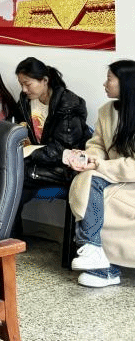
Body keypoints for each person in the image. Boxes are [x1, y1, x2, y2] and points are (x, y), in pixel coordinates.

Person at [64, 60, 135, 288]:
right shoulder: (106, 111)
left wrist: (100, 166)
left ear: (126, 83)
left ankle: (100, 262)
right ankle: (95, 253)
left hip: (130, 178)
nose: (105, 84)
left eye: (110, 79)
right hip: (111, 174)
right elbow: (97, 145)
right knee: (86, 177)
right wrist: (89, 159)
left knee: (92, 186)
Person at [14, 57, 89, 235]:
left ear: (45, 80)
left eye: (28, 84)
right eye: (21, 84)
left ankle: (7, 239)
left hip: (63, 167)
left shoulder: (68, 104)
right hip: (35, 163)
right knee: (6, 180)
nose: (24, 90)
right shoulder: (25, 100)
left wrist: (28, 152)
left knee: (10, 179)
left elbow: (62, 150)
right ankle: (7, 239)